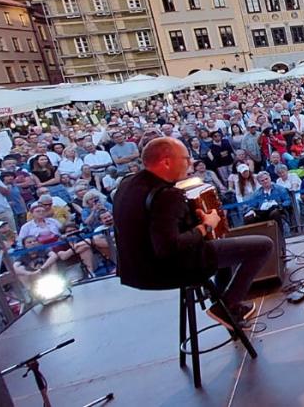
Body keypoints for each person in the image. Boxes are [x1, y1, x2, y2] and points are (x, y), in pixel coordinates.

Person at [114, 138, 273, 330]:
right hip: (168, 270)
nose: (190, 164)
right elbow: (168, 247)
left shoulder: (127, 183)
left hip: (136, 270)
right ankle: (227, 306)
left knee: (222, 243)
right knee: (263, 245)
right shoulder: (167, 195)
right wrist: (205, 226)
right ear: (166, 161)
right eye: (185, 159)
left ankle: (223, 301)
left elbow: (151, 225)